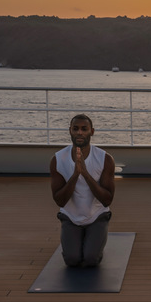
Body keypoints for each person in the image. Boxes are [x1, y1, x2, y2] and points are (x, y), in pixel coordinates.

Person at [50, 114, 115, 267]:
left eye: (84, 129)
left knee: (91, 259)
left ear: (91, 132)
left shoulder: (105, 159)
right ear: (70, 131)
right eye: (76, 128)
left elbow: (107, 200)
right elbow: (60, 201)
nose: (79, 132)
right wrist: (75, 175)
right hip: (70, 217)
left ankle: (94, 238)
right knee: (72, 260)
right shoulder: (58, 159)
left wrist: (85, 174)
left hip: (97, 216)